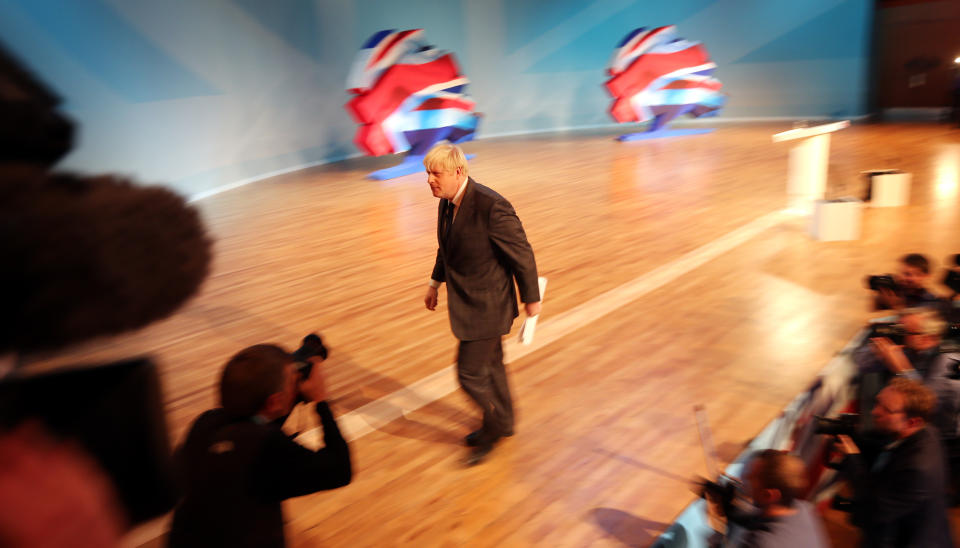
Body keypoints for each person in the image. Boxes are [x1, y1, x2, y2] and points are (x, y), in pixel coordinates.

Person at [421, 142, 541, 466]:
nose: (430, 180)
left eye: (436, 173)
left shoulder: (492, 206)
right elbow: (445, 248)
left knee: (469, 373)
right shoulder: (447, 203)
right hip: (468, 301)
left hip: (489, 306)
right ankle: (507, 421)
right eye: (428, 173)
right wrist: (435, 283)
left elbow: (522, 253)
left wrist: (531, 298)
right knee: (492, 367)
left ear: (458, 172)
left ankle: (495, 426)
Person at [168, 344, 352, 547]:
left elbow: (254, 425)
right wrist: (320, 401)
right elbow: (340, 469)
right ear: (273, 402)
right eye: (292, 383)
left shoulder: (204, 423)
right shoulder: (268, 447)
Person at [837, 377, 954, 547]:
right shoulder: (925, 431)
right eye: (878, 403)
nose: (875, 412)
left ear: (912, 422)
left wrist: (852, 458)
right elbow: (885, 445)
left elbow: (873, 508)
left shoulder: (917, 469)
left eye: (886, 409)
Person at [722, 450, 830, 548]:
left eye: (749, 478)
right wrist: (733, 509)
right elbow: (761, 518)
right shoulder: (803, 508)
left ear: (768, 495)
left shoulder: (762, 543)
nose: (740, 480)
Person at [871, 253, 942, 313]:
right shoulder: (896, 292)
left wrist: (896, 306)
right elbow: (874, 315)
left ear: (926, 276)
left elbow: (913, 322)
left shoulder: (931, 300)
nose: (909, 279)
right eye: (906, 274)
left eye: (917, 274)